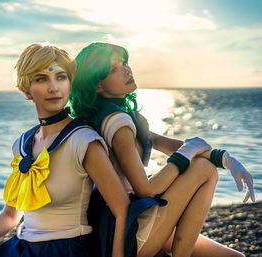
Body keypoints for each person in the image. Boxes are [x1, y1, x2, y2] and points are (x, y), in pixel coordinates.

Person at [70, 42, 255, 257]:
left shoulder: (121, 115)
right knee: (204, 169)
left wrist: (226, 159)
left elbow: (171, 145)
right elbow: (146, 190)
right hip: (125, 232)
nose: (126, 69)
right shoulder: (118, 123)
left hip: (136, 217)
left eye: (123, 63)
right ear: (97, 86)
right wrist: (187, 154)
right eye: (113, 69)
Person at [0, 43, 130, 257]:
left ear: (70, 84)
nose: (54, 88)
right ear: (26, 88)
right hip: (22, 247)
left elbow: (121, 208)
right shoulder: (22, 144)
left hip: (66, 249)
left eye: (61, 77)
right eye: (41, 79)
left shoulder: (84, 140)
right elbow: (11, 215)